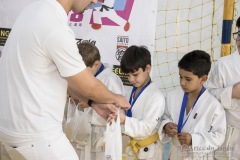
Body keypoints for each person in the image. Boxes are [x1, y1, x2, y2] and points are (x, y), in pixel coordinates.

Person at [0, 0, 130, 159]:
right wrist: (116, 98)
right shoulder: (54, 26)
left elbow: (64, 79)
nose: (96, 1)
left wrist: (92, 103)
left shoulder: (34, 11)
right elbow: (88, 86)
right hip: (36, 134)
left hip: (10, 132)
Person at [159, 50, 226, 160]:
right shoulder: (172, 96)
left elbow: (219, 136)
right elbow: (164, 116)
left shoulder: (213, 106)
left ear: (203, 79)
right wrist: (166, 126)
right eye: (180, 77)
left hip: (198, 155)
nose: (182, 82)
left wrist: (194, 140)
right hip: (176, 153)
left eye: (188, 79)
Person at [65, 41, 125, 160]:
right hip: (79, 135)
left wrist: (89, 104)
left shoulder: (110, 79)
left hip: (100, 137)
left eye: (84, 70)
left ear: (96, 64)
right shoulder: (76, 77)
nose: (81, 74)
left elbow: (119, 112)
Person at [117, 45, 165, 160]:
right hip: (129, 147)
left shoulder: (156, 97)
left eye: (135, 74)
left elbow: (147, 128)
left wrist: (124, 120)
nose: (131, 79)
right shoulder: (129, 91)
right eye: (128, 75)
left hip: (148, 151)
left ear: (148, 68)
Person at [205, 16, 240, 160]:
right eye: (239, 35)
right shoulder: (224, 65)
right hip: (229, 134)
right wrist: (231, 92)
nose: (239, 41)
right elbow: (209, 94)